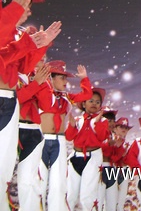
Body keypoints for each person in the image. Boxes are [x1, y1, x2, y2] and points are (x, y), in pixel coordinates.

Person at [0, 0, 61, 211]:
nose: (28, 12)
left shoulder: (17, 34)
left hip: (9, 101)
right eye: (26, 4)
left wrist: (40, 45)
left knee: (4, 170)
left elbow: (23, 69)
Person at [37, 61, 93, 211]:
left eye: (66, 78)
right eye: (62, 78)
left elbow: (87, 95)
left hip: (60, 142)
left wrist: (84, 78)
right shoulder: (40, 91)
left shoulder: (68, 97)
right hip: (42, 140)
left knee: (59, 183)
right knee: (38, 182)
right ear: (51, 78)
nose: (66, 82)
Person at [15, 56, 51, 210]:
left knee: (27, 181)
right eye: (36, 55)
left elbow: (46, 105)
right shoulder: (13, 74)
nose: (39, 60)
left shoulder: (42, 80)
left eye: (42, 58)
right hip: (10, 130)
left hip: (33, 133)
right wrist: (35, 83)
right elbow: (17, 99)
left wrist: (40, 83)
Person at [65, 87, 108, 211]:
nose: (94, 104)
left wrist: (98, 123)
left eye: (97, 102)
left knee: (87, 195)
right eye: (91, 101)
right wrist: (72, 126)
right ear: (83, 103)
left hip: (93, 158)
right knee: (70, 193)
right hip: (76, 157)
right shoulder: (78, 120)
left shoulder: (103, 120)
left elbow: (102, 137)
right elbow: (69, 137)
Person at [114, 117, 133, 211]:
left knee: (121, 200)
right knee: (110, 200)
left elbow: (129, 161)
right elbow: (112, 158)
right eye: (121, 126)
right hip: (112, 170)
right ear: (115, 128)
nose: (123, 129)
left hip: (124, 171)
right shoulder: (111, 142)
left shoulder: (128, 144)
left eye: (126, 127)